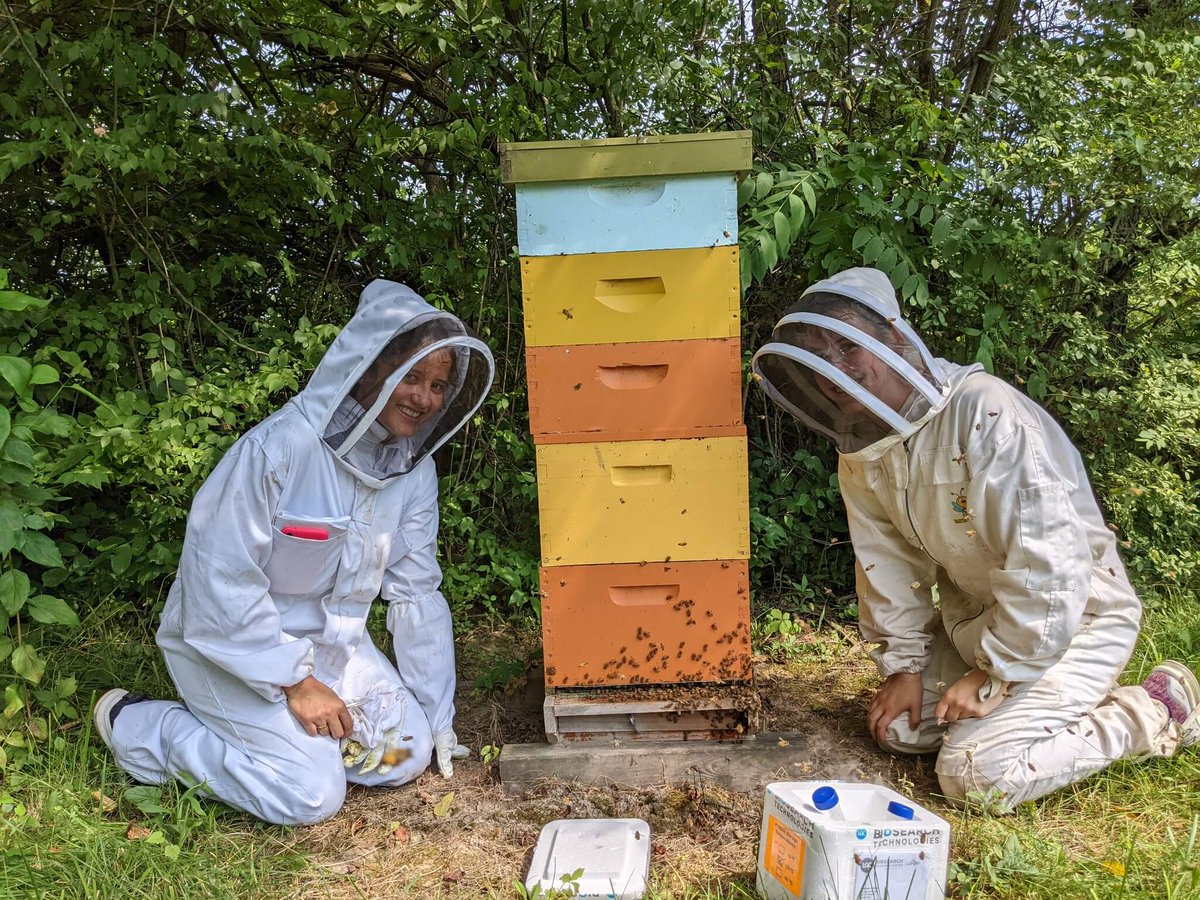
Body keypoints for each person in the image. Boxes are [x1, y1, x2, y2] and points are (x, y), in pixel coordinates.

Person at [751, 266, 1198, 810]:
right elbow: (884, 565)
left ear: (892, 338)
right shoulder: (864, 451)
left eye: (848, 347)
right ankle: (1054, 705)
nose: (835, 372)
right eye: (821, 360)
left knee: (975, 774)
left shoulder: (986, 413)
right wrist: (905, 668)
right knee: (900, 729)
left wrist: (995, 675)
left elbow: (1049, 566)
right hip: (980, 621)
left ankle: (1152, 711)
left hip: (1077, 617)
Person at [93, 280, 494, 825]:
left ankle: (300, 747)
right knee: (311, 796)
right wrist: (297, 684)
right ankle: (145, 729)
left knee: (405, 755)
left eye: (439, 385)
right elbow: (220, 580)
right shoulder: (277, 449)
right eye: (413, 376)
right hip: (227, 646)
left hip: (334, 650)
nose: (424, 398)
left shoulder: (412, 472)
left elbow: (415, 590)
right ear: (372, 368)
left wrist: (438, 715)